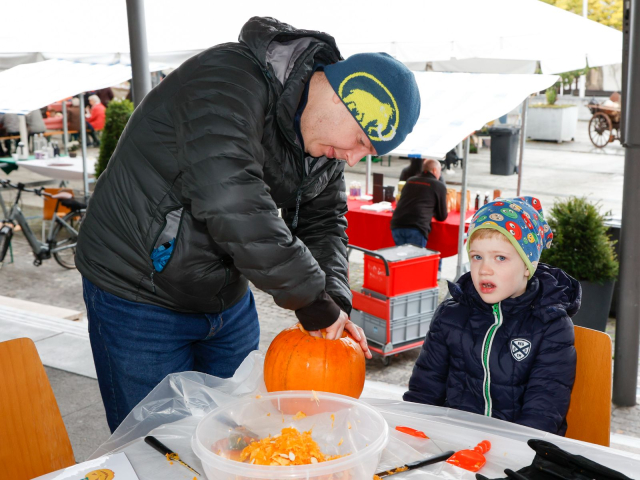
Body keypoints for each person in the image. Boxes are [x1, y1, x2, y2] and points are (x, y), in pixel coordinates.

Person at [76, 16, 421, 432]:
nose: (353, 158)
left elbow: (325, 220)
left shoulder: (322, 145)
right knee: (157, 445)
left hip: (224, 298)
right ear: (343, 98)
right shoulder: (226, 80)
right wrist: (310, 301)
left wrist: (333, 299)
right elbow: (232, 198)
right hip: (138, 293)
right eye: (363, 142)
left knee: (235, 437)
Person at [404, 197, 580, 435]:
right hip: (453, 442)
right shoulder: (450, 315)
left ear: (528, 265)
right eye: (477, 257)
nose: (485, 269)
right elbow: (423, 392)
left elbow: (543, 414)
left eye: (500, 258)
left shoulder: (551, 325)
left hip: (519, 452)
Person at [391, 158, 447, 248]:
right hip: (417, 227)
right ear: (435, 170)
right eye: (440, 171)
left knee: (402, 260)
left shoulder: (410, 180)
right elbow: (442, 216)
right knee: (416, 260)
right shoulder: (438, 185)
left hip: (397, 225)